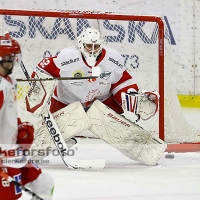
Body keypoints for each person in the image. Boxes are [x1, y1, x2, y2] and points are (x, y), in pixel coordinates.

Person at [25, 27, 165, 166]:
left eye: (96, 46)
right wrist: (39, 87)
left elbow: (122, 81)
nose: (92, 50)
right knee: (60, 126)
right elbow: (44, 68)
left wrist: (132, 97)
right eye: (88, 46)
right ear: (80, 44)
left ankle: (146, 149)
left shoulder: (112, 59)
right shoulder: (67, 58)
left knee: (102, 117)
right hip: (66, 102)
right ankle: (26, 151)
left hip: (101, 101)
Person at [0, 34, 54, 200]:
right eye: (8, 58)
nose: (12, 62)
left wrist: (18, 128)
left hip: (10, 152)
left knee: (44, 183)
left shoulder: (9, 80)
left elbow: (6, 114)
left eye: (13, 58)